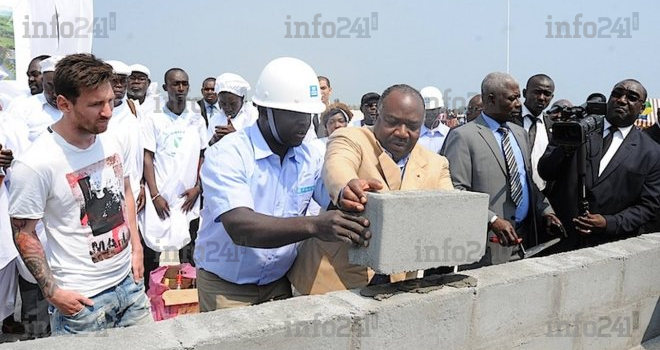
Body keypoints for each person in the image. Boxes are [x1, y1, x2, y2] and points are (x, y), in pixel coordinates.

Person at [194, 57, 370, 311]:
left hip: (278, 285)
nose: (304, 123)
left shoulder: (308, 157)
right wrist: (314, 225)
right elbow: (241, 228)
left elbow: (331, 192)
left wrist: (349, 192)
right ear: (263, 110)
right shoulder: (228, 155)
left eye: (309, 114)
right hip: (227, 290)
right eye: (294, 114)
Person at [8, 53, 150, 335]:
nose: (108, 111)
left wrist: (136, 249)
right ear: (64, 104)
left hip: (130, 287)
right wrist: (52, 292)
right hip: (83, 304)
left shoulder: (113, 137)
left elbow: (125, 192)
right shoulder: (36, 163)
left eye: (110, 101)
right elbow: (23, 232)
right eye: (96, 104)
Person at [288, 84, 454, 295]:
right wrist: (346, 188)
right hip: (330, 280)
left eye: (412, 126)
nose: (402, 133)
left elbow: (448, 209)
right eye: (393, 122)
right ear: (378, 116)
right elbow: (337, 165)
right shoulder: (350, 138)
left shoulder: (436, 164)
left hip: (396, 286)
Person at [441, 72, 562, 267]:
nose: (518, 104)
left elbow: (526, 182)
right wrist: (493, 220)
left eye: (518, 98)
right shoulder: (464, 137)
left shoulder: (519, 134)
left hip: (523, 239)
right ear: (491, 99)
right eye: (512, 98)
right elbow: (456, 191)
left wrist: (546, 211)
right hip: (486, 244)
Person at [539, 79, 660, 252]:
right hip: (560, 240)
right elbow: (546, 171)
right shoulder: (576, 129)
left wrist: (608, 223)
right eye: (617, 94)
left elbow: (648, 207)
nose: (622, 100)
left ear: (641, 108)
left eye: (632, 97)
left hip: (608, 247)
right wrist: (565, 148)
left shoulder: (651, 152)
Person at [140, 68, 207, 280]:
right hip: (161, 196)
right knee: (154, 250)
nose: (180, 88)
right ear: (165, 88)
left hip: (189, 198)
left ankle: (189, 299)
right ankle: (151, 300)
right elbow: (147, 158)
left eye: (184, 84)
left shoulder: (196, 117)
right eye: (175, 84)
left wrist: (198, 187)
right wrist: (155, 195)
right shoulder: (154, 119)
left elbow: (203, 154)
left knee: (189, 249)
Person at [513, 74, 555, 192]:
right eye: (537, 92)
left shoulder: (552, 127)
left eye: (547, 94)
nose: (541, 97)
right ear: (525, 93)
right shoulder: (509, 120)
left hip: (543, 197)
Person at [207, 73, 258, 146]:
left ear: (242, 98)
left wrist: (236, 135)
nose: (228, 108)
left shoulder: (253, 116)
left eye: (232, 104)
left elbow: (258, 148)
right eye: (223, 103)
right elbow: (207, 151)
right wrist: (214, 140)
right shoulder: (215, 119)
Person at [417, 86, 451, 153]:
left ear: (439, 110)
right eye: (427, 110)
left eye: (433, 110)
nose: (430, 114)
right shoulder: (415, 135)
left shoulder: (449, 134)